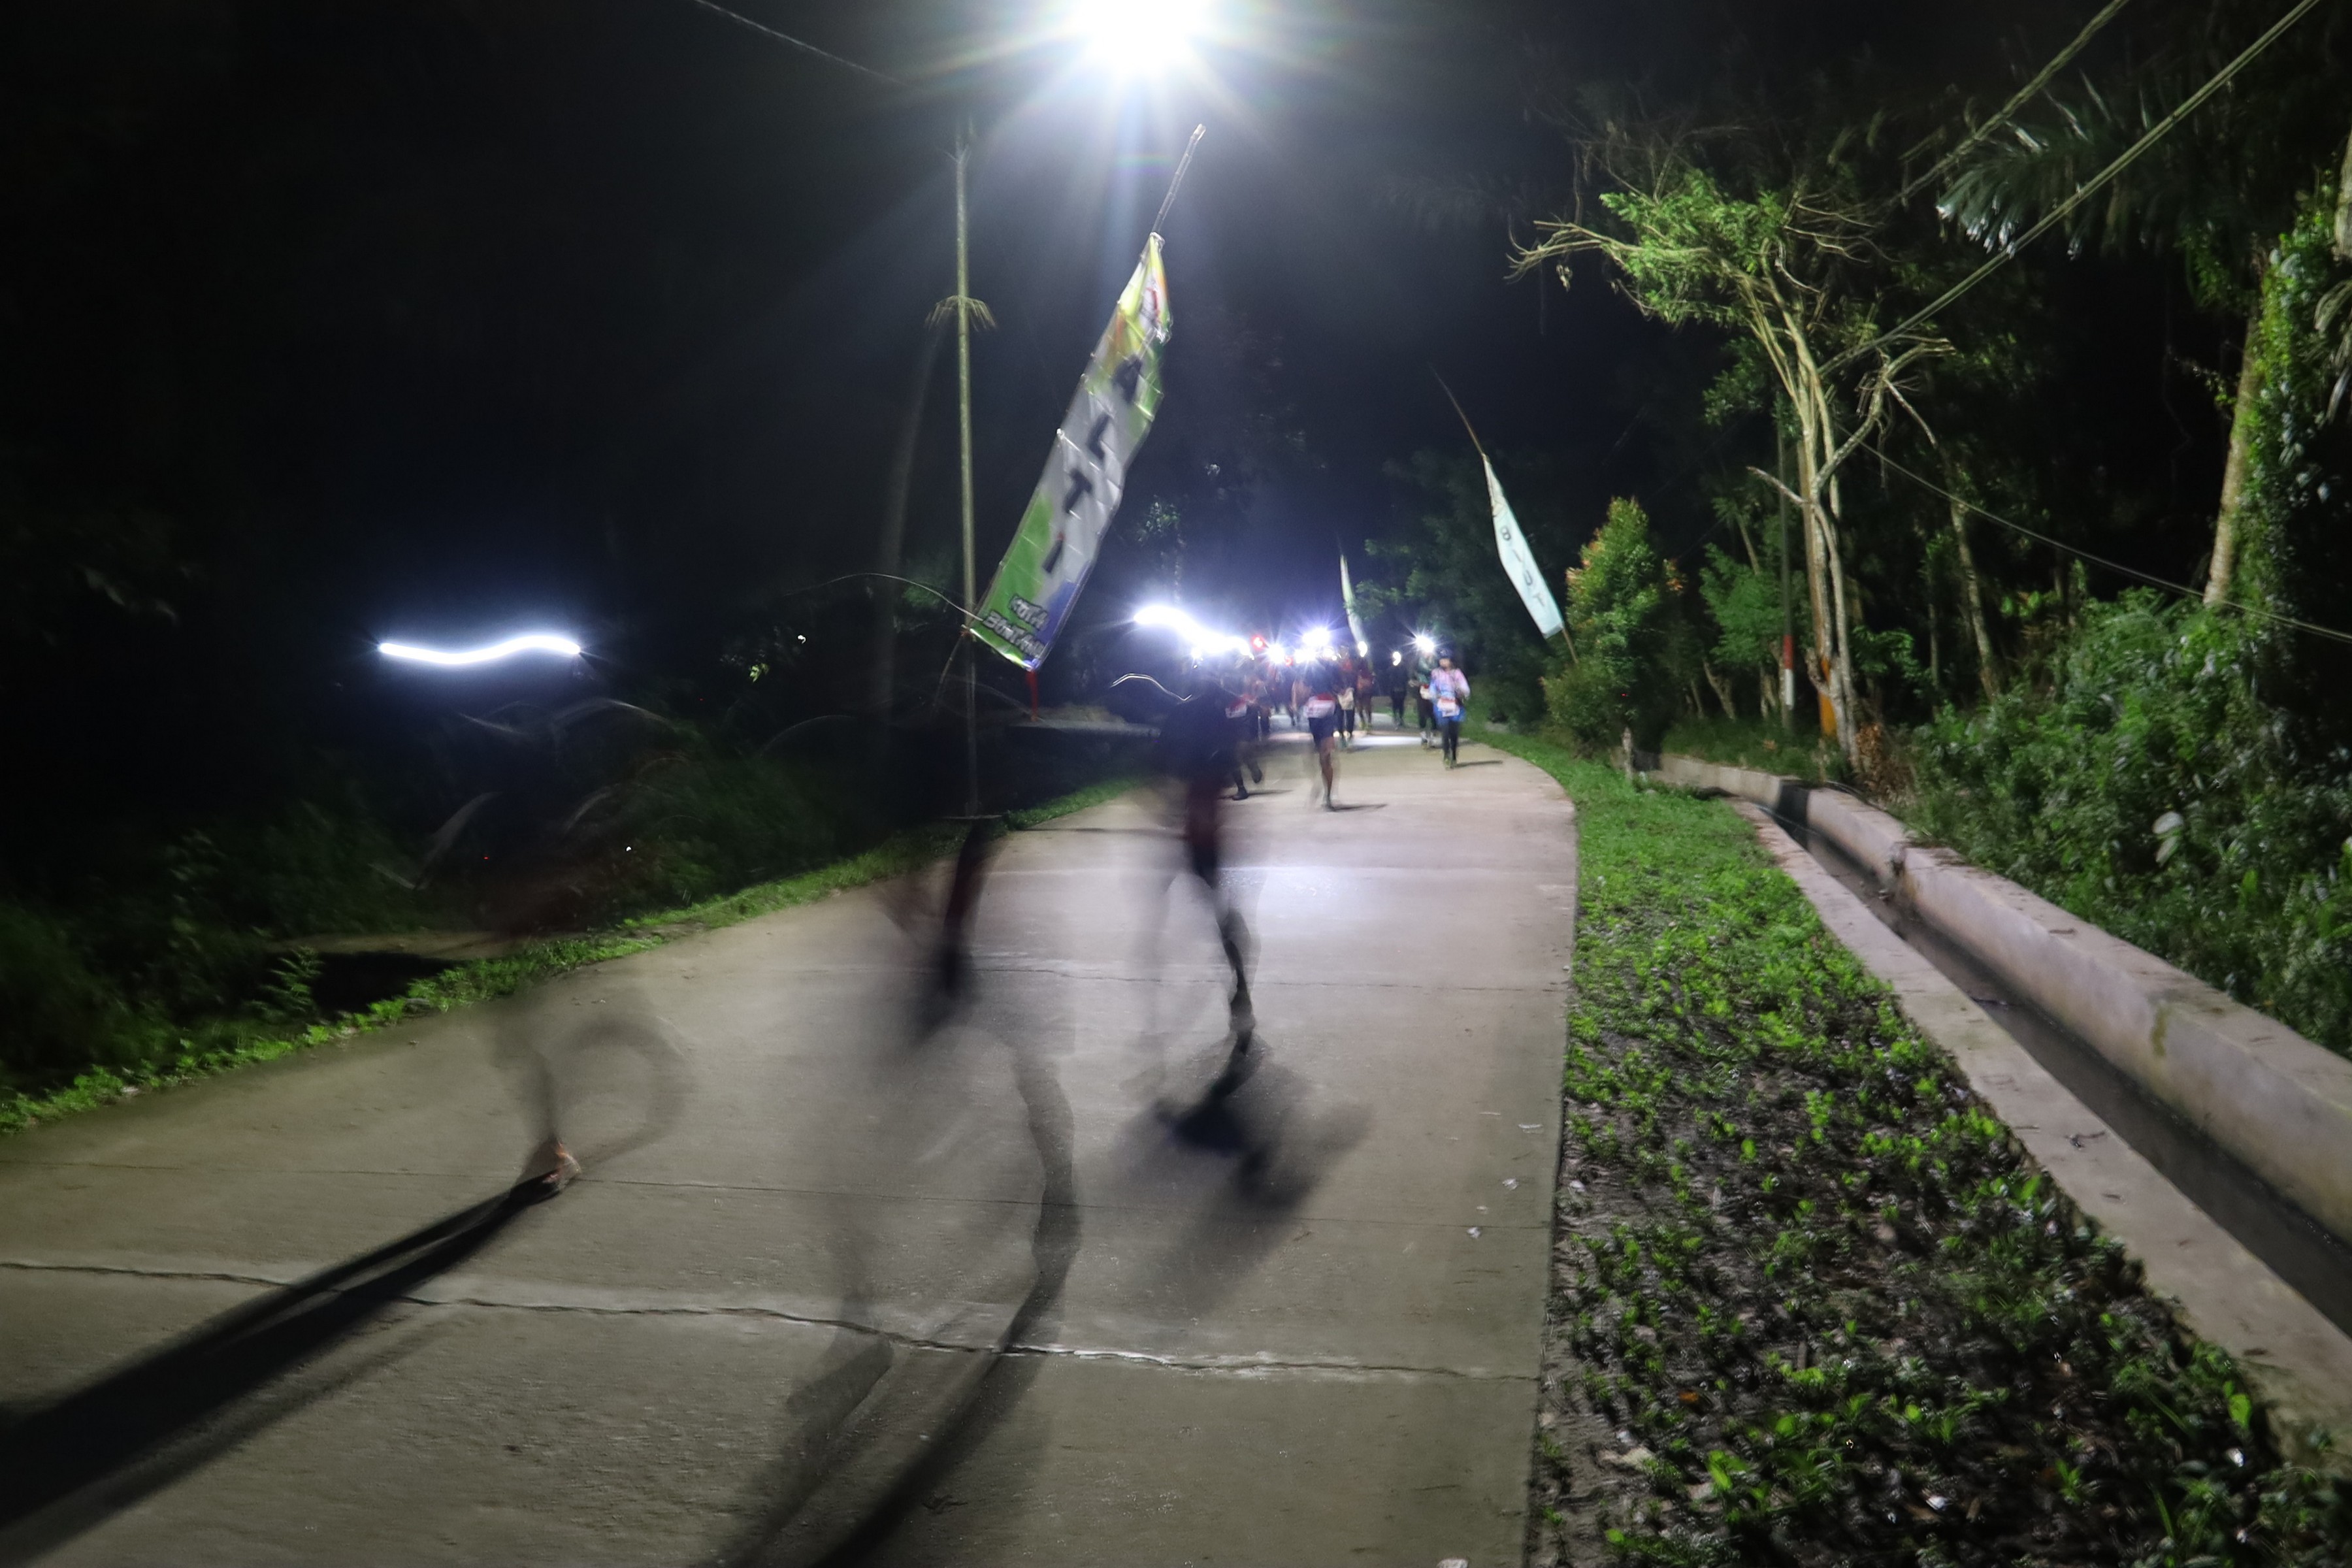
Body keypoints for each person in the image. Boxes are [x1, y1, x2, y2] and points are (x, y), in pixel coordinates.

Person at [1301, 659, 1341, 808]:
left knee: (1322, 757)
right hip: (1323, 709)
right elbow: (1338, 687)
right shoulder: (1327, 669)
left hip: (1319, 710)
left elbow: (1302, 692)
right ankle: (1327, 794)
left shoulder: (1309, 671)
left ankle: (1326, 793)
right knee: (1324, 757)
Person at [1430, 653, 1470, 768]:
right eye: (1441, 660)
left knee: (1454, 733)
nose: (1443, 662)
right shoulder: (1436, 674)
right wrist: (1434, 697)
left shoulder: (1457, 674)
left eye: (1446, 659)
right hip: (1441, 706)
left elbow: (1466, 689)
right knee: (1445, 732)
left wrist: (1460, 690)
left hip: (1455, 707)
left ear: (1451, 661)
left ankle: (1454, 754)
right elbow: (1433, 688)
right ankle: (1446, 755)